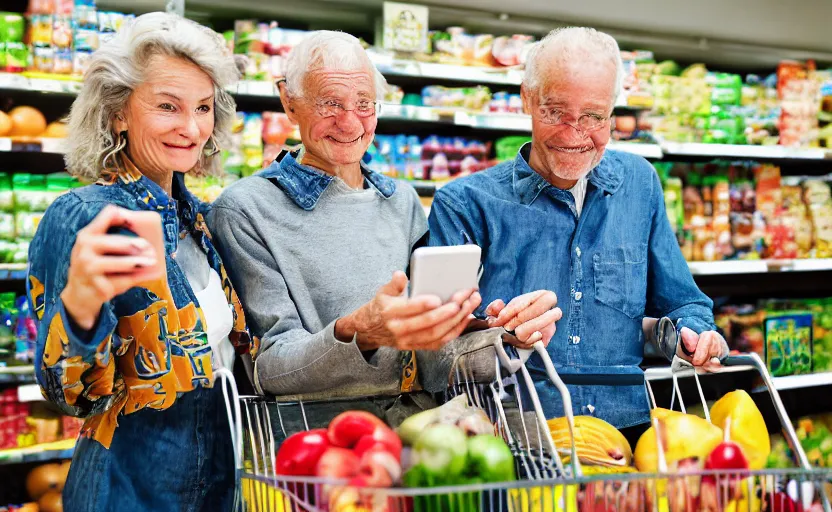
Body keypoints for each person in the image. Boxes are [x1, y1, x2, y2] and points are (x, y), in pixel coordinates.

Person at [209, 30, 558, 430]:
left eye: (364, 104)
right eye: (330, 103)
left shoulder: (402, 201)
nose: (349, 121)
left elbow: (430, 358)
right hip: (321, 444)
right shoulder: (245, 209)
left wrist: (503, 336)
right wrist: (358, 332)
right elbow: (271, 367)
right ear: (289, 101)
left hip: (423, 436)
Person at [428, 27, 729, 441]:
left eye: (594, 116)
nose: (574, 134)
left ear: (612, 111)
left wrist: (695, 332)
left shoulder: (639, 184)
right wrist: (498, 334)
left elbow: (683, 301)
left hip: (625, 436)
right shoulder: (463, 204)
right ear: (527, 100)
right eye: (555, 112)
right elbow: (434, 351)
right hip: (515, 440)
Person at [26, 13, 251, 511]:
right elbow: (70, 395)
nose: (190, 128)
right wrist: (81, 305)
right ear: (117, 112)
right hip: (129, 493)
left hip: (218, 487)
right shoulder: (82, 216)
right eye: (168, 106)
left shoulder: (200, 221)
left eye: (203, 108)